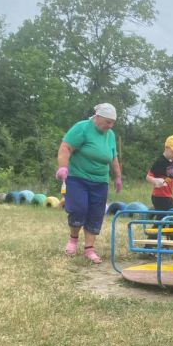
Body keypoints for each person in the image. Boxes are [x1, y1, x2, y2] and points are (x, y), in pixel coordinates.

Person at [55, 103, 122, 264]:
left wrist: (117, 176)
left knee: (95, 213)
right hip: (78, 178)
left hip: (100, 181)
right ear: (97, 117)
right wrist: (63, 167)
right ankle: (73, 239)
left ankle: (89, 249)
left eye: (113, 122)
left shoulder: (110, 134)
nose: (110, 126)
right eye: (108, 122)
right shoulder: (82, 128)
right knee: (79, 209)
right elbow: (66, 147)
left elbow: (113, 157)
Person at [146, 135, 173, 217]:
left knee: (164, 220)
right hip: (159, 197)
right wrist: (155, 181)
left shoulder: (171, 162)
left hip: (167, 196)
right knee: (169, 219)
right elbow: (148, 177)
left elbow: (172, 178)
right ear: (166, 148)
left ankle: (156, 229)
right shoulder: (160, 162)